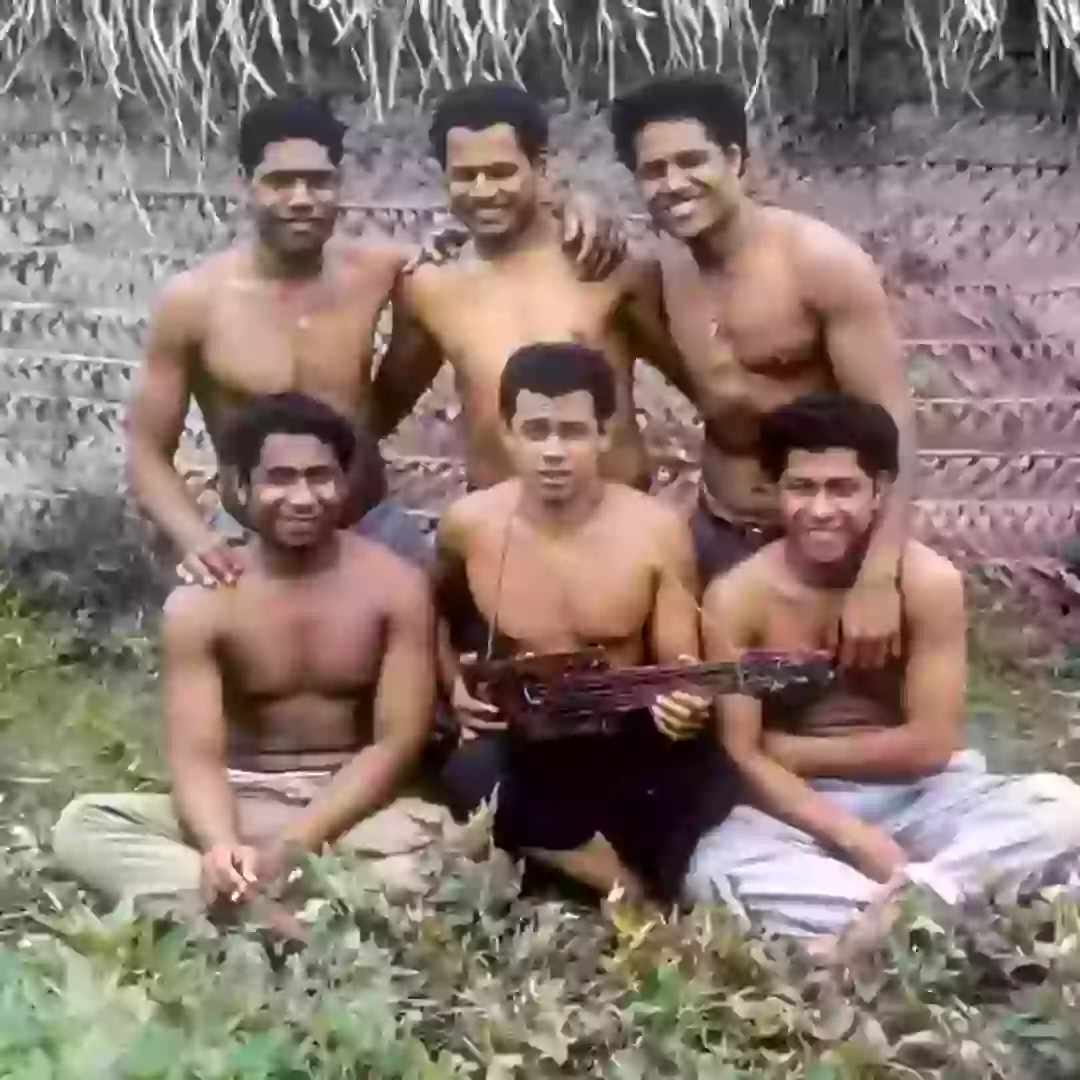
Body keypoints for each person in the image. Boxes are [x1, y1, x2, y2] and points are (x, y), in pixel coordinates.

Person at [127, 93, 623, 588]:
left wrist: (575, 203)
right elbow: (146, 448)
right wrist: (195, 537)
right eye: (279, 182)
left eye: (318, 182)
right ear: (245, 185)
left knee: (435, 641)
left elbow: (493, 223)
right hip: (249, 536)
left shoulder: (383, 270)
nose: (301, 198)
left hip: (369, 524)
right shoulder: (194, 302)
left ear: (341, 184)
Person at [683, 392, 1080, 945]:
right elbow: (743, 756)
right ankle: (952, 908)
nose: (820, 510)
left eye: (842, 488)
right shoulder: (738, 597)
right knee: (713, 869)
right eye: (802, 487)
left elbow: (930, 746)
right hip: (800, 810)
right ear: (775, 491)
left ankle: (892, 921)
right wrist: (852, 837)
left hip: (926, 794)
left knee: (1062, 809)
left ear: (880, 491)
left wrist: (791, 750)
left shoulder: (927, 582)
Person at [54, 393, 448, 925]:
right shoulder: (202, 603)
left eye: (320, 476)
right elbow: (196, 755)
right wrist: (220, 844)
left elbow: (396, 743)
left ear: (347, 482)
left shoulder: (395, 587)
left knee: (445, 850)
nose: (303, 497)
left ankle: (239, 912)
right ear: (241, 487)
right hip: (240, 798)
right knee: (84, 825)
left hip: (352, 808)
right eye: (279, 478)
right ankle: (289, 915)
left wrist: (297, 843)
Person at [609, 74, 915, 670]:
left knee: (820, 716)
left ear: (735, 159)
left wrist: (879, 573)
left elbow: (891, 421)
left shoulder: (817, 263)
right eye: (654, 170)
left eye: (691, 161)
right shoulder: (662, 276)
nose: (674, 183)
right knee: (696, 717)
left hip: (818, 539)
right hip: (716, 529)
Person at [435, 342, 735, 903]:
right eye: (536, 431)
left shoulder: (655, 532)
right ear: (507, 433)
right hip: (528, 735)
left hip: (627, 733)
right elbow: (436, 614)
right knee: (467, 775)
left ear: (604, 434)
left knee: (708, 784)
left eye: (572, 431)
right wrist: (453, 681)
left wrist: (683, 706)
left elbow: (679, 666)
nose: (553, 451)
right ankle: (625, 891)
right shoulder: (468, 526)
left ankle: (585, 862)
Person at [372, 82, 693, 494]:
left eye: (502, 172)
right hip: (502, 533)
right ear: (444, 177)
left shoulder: (609, 265)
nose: (483, 191)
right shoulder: (430, 287)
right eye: (466, 176)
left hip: (616, 528)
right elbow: (380, 412)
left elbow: (705, 386)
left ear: (539, 167)